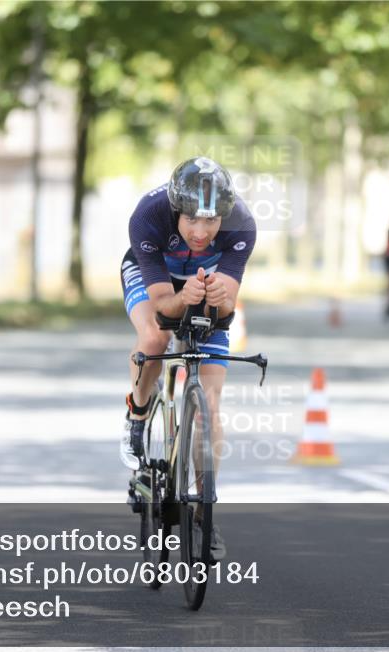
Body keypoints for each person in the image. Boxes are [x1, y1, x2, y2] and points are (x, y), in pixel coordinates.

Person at [119, 156, 257, 560]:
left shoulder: (243, 225)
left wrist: (219, 303)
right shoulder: (148, 216)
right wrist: (184, 298)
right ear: (176, 211)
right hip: (158, 277)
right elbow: (163, 306)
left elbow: (228, 309)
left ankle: (203, 513)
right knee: (156, 335)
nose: (200, 231)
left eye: (211, 222)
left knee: (209, 408)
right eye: (192, 220)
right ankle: (138, 413)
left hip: (206, 282)